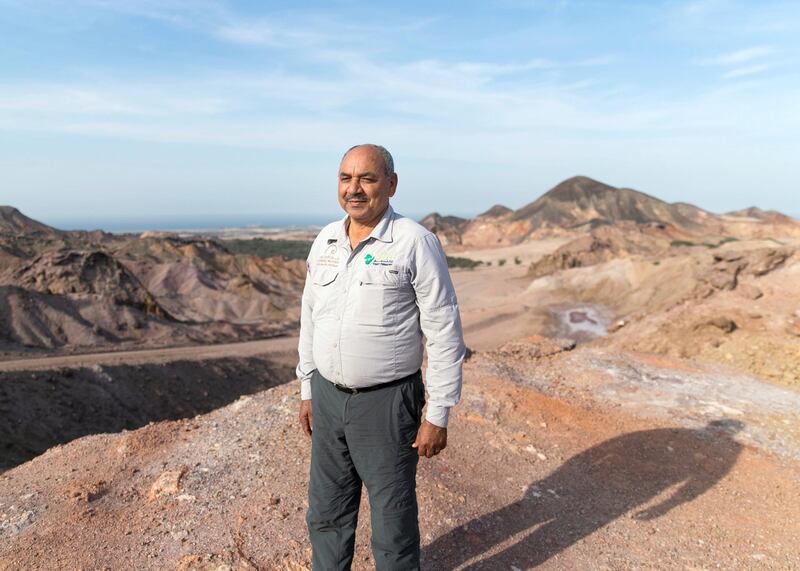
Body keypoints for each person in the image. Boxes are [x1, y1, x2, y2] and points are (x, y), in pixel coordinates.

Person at [296, 143, 466, 570]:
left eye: (367, 179)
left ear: (390, 184)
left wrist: (439, 412)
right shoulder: (326, 240)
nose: (354, 189)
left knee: (392, 523)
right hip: (328, 398)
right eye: (345, 178)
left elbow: (444, 330)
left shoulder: (414, 242)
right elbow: (310, 317)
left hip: (388, 403)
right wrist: (306, 387)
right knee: (327, 512)